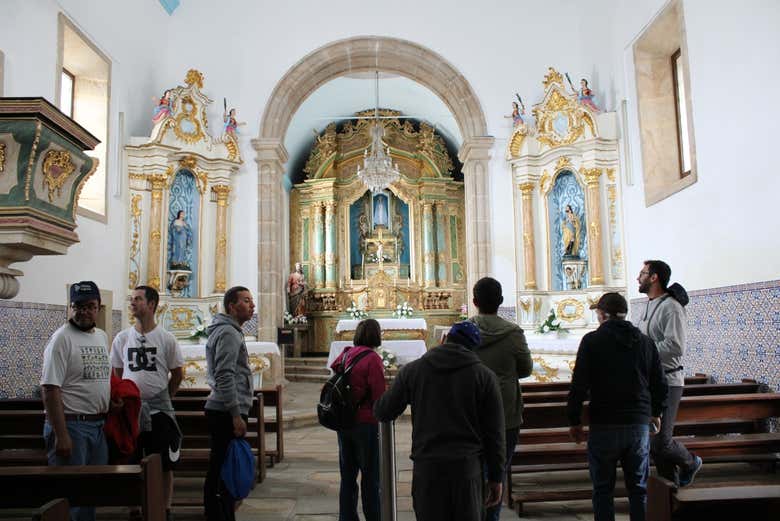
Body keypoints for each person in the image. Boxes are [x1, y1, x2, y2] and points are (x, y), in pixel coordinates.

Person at [374, 321, 505, 521]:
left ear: (444, 339)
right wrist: (496, 477)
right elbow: (495, 433)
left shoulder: (413, 371)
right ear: (473, 348)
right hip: (466, 469)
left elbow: (383, 411)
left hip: (428, 468)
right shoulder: (485, 377)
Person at [568, 292, 668, 521]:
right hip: (638, 424)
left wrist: (574, 420)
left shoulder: (592, 341)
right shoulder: (645, 342)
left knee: (603, 490)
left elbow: (579, 385)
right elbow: (659, 382)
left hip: (604, 423)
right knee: (638, 489)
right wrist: (656, 411)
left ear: (602, 314)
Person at [111, 285, 184, 520]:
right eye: (131, 299)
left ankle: (165, 508)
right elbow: (118, 373)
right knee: (131, 460)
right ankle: (134, 507)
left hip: (160, 409)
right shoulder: (122, 338)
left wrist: (166, 397)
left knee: (164, 462)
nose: (132, 303)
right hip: (131, 411)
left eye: (138, 299)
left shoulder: (166, 338)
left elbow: (177, 373)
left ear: (152, 304)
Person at [41, 281, 112, 521]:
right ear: (70, 308)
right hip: (72, 426)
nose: (84, 311)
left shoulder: (102, 337)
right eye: (78, 306)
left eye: (90, 306)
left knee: (90, 495)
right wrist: (61, 435)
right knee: (69, 497)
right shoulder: (61, 339)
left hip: (98, 427)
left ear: (98, 308)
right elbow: (50, 389)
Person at [469, 277, 533, 521]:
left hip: (471, 412)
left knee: (473, 470)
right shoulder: (514, 333)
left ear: (474, 302)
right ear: (501, 301)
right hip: (505, 412)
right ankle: (491, 516)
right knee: (498, 471)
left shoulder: (464, 332)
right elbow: (526, 370)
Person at [635, 260, 701, 487]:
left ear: (654, 277)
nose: (638, 277)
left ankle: (691, 462)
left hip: (668, 380)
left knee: (661, 442)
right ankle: (670, 492)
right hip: (649, 381)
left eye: (642, 273)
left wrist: (644, 351)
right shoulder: (649, 304)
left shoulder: (672, 307)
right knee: (653, 442)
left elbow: (675, 346)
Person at [203, 286, 255, 521]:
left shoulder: (230, 330)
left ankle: (222, 514)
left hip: (224, 408)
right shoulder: (228, 333)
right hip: (225, 411)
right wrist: (236, 413)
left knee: (223, 469)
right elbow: (225, 375)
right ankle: (219, 516)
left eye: (251, 300)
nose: (252, 304)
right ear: (232, 307)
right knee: (223, 471)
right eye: (246, 300)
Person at [330, 319, 386, 521]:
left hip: (344, 420)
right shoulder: (372, 359)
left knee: (347, 475)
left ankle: (347, 517)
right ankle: (373, 516)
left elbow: (335, 373)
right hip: (365, 422)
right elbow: (379, 395)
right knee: (370, 476)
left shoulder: (345, 353)